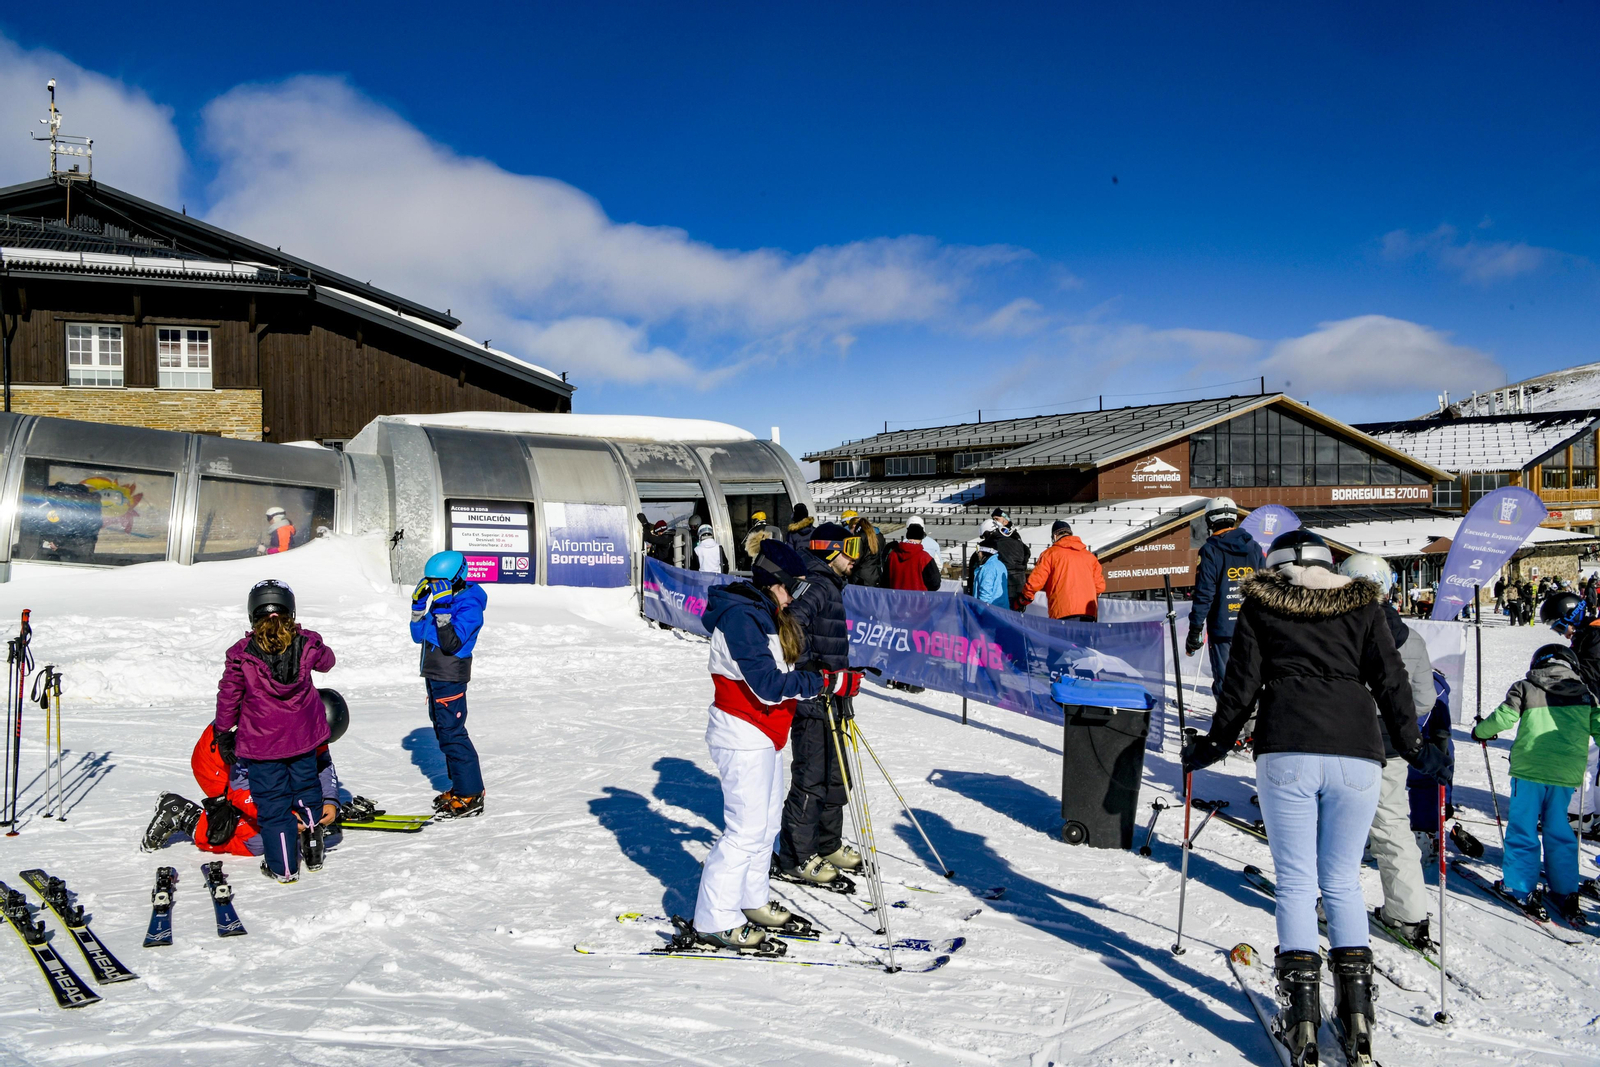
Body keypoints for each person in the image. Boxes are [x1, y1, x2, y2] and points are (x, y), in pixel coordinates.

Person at [1183, 530, 1447, 1065]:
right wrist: (1417, 747)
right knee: (1343, 881)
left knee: (1299, 883)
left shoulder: (1263, 606)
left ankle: (1301, 1018)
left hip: (1286, 750)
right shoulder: (1364, 606)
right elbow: (1393, 683)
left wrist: (1211, 746)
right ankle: (1357, 1017)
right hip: (1357, 751)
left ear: (1276, 566)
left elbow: (1240, 687)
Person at [690, 541, 858, 951]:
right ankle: (714, 918)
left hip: (764, 734)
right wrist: (825, 682)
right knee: (744, 831)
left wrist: (828, 674)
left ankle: (750, 900)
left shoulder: (765, 613)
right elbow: (767, 687)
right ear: (774, 583)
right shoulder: (741, 619)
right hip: (741, 733)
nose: (797, 595)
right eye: (793, 587)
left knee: (765, 826)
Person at [1339, 554, 1441, 950]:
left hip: (1347, 742)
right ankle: (1409, 913)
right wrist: (1402, 727)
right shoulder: (1409, 637)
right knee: (1393, 825)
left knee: (1339, 825)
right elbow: (1425, 698)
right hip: (1391, 746)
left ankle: (1334, 905)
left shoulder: (1336, 629)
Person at [213, 579, 337, 883]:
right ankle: (313, 837)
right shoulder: (306, 643)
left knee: (272, 806)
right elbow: (328, 661)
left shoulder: (241, 653)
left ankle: (283, 868)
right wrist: (307, 636)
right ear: (290, 613)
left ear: (252, 615)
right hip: (303, 739)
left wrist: (223, 730)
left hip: (262, 745)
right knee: (307, 788)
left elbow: (228, 695)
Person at [1471, 644, 1600, 925]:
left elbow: (1504, 717)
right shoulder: (1585, 693)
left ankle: (1519, 887)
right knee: (1559, 830)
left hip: (1530, 770)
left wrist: (1480, 731)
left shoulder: (1526, 686)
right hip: (1566, 773)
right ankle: (1566, 890)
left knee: (1523, 827)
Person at [778, 522, 865, 885]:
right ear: (831, 551)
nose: (854, 559)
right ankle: (797, 855)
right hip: (814, 699)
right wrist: (817, 672)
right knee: (812, 778)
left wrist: (841, 677)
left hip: (833, 696)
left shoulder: (828, 583)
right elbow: (791, 623)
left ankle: (827, 843)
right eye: (850, 550)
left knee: (836, 776)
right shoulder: (815, 584)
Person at [140, 717, 346, 870]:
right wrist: (283, 818)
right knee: (258, 840)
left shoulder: (308, 720)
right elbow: (242, 791)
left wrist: (329, 799)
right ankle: (184, 816)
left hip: (263, 757)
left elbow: (322, 762)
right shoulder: (260, 735)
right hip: (218, 769)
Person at [410, 550, 489, 819]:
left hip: (450, 676)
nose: (435, 588)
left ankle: (471, 794)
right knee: (444, 733)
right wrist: (419, 607)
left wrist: (442, 609)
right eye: (430, 582)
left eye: (439, 582)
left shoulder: (470, 604)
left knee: (453, 734)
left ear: (456, 578)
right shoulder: (444, 598)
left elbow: (451, 643)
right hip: (434, 675)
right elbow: (418, 636)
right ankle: (460, 787)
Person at [1184, 497, 1265, 689]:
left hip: (1223, 629)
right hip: (1252, 627)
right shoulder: (1254, 548)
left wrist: (1194, 631)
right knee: (1252, 680)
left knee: (1226, 683)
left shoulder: (1210, 550)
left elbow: (1205, 594)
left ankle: (1229, 719)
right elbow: (1266, 587)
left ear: (1209, 520)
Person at [1021, 520, 1105, 621]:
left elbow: (1035, 582)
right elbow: (1100, 587)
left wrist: (1023, 600)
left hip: (1062, 611)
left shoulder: (1050, 554)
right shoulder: (1089, 556)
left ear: (1055, 536)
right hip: (1088, 612)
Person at [1542, 590, 1600, 698]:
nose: (1561, 633)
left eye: (1559, 627)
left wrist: (1561, 674)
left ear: (1572, 616)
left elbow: (1592, 670)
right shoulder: (1583, 635)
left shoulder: (1596, 634)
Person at [886, 522, 941, 592]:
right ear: (921, 538)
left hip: (896, 599)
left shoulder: (893, 555)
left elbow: (885, 582)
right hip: (919, 600)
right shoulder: (925, 558)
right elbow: (935, 583)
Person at [841, 510, 888, 589]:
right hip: (876, 574)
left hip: (861, 577)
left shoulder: (859, 537)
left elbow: (856, 558)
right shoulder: (878, 536)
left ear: (853, 526)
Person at [993, 522, 1032, 610]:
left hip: (1005, 584)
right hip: (1019, 582)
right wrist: (1023, 566)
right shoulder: (1019, 543)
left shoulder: (996, 543)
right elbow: (1027, 553)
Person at [973, 532, 1011, 607]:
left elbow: (985, 593)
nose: (978, 554)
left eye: (979, 551)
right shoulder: (1000, 564)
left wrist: (980, 612)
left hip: (990, 612)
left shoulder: (988, 568)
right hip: (1002, 609)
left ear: (984, 551)